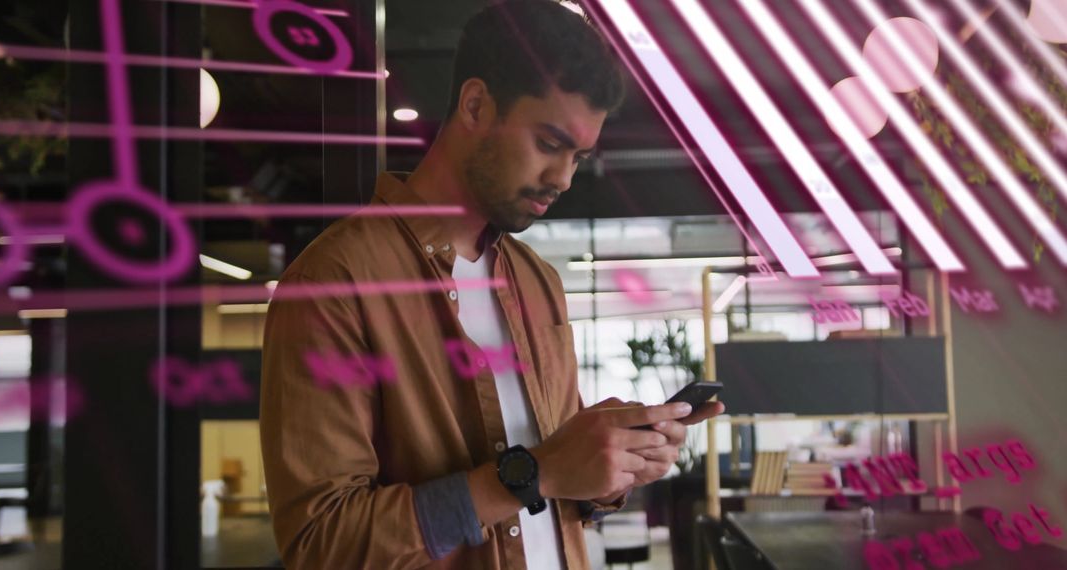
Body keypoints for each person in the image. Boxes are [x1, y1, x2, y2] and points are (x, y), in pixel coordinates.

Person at [259, 1, 724, 568]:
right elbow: (321, 543)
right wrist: (535, 473)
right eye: (550, 144)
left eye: (578, 155)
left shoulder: (538, 282)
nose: (564, 178)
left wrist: (609, 467)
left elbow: (553, 490)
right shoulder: (334, 284)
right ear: (475, 104)